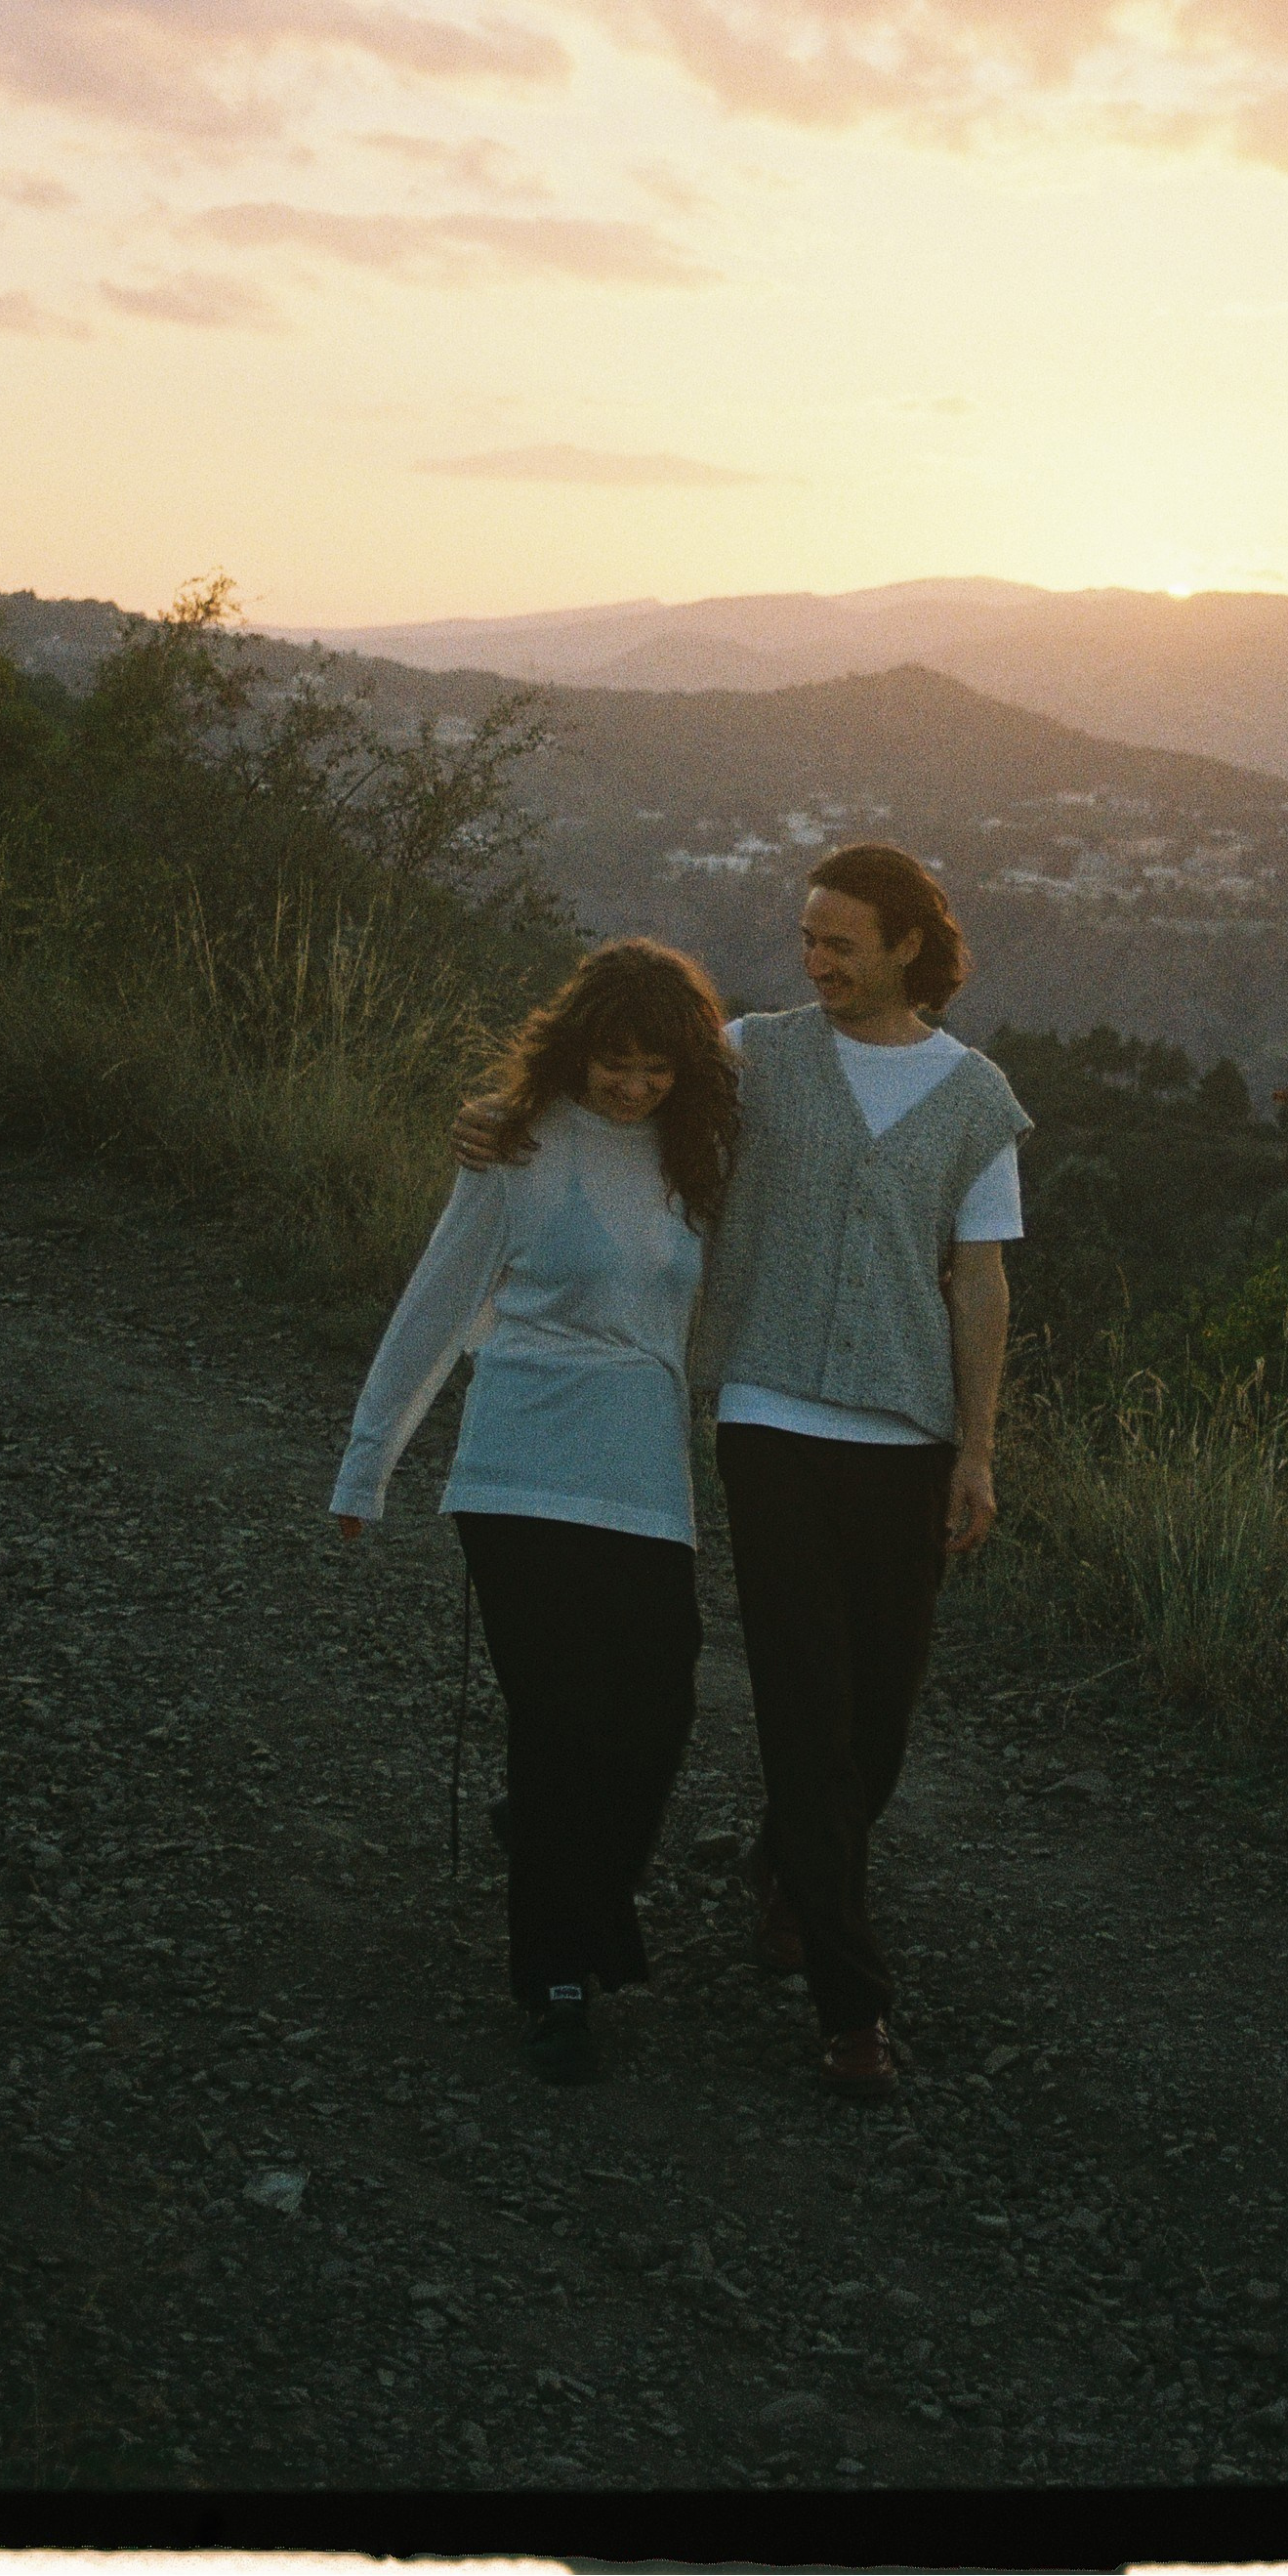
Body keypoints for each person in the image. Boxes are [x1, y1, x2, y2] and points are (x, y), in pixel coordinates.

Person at [457, 845, 1029, 2102]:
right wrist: (509, 1113)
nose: (813, 960)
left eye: (840, 942)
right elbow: (619, 1077)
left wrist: (977, 1449)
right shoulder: (757, 1054)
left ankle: (790, 1862)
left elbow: (979, 1279)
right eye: (808, 937)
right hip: (767, 1415)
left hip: (910, 1432)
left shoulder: (976, 1097)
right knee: (809, 1712)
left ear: (908, 949)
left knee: (877, 1724)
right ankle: (852, 2006)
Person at [330, 939, 738, 2085]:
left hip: (643, 1472)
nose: (632, 1085)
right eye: (614, 1061)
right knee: (559, 1724)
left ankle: (560, 1863)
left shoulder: (700, 1148)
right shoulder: (514, 1141)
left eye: (657, 1066)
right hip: (516, 1467)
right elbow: (438, 1298)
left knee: (656, 1706)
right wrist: (369, 1464)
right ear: (578, 1047)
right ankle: (557, 1980)